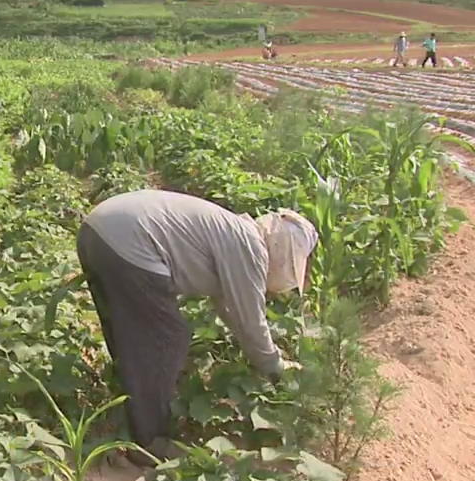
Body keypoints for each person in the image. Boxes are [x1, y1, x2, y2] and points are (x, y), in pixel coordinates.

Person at [76, 189, 318, 463]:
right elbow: (250, 320)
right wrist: (275, 367)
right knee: (168, 337)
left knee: (130, 333)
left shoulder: (233, 232)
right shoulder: (250, 247)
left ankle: (128, 405)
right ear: (284, 250)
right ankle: (150, 442)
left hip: (96, 231)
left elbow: (230, 310)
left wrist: (262, 355)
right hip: (129, 243)